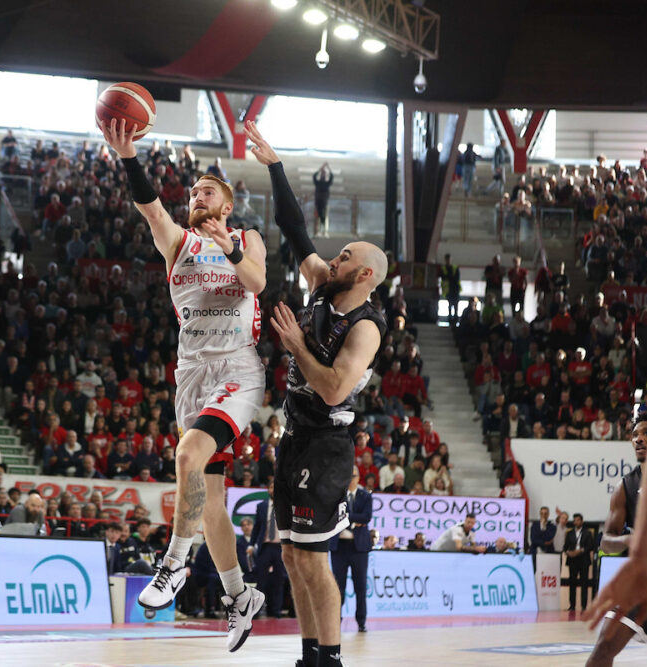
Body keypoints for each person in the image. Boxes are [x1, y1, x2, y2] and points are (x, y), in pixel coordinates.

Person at [102, 117, 268, 652]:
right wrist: (128, 157)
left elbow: (257, 283)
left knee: (187, 457)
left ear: (226, 204)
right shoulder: (176, 243)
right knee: (211, 500)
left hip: (237, 369)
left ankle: (174, 563)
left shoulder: (245, 237)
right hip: (192, 375)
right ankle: (239, 594)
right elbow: (149, 205)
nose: (196, 195)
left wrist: (233, 249)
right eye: (193, 191)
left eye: (207, 191)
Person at [248, 120, 387, 667]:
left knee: (313, 559)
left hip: (326, 447)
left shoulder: (366, 327)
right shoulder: (320, 285)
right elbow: (294, 228)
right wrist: (275, 166)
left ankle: (329, 658)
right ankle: (310, 654)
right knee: (290, 555)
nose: (334, 258)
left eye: (346, 255)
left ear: (366, 273)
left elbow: (332, 390)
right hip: (295, 436)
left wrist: (294, 344)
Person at [583, 413, 647, 664]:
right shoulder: (625, 487)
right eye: (635, 435)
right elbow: (605, 541)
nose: (639, 439)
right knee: (604, 647)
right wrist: (628, 542)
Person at [329, 467, 372, 633]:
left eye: (352, 475)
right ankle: (335, 620)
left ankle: (361, 621)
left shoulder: (365, 496)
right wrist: (354, 519)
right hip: (339, 547)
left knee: (360, 586)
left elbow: (366, 517)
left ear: (358, 477)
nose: (349, 478)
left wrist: (347, 516)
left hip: (359, 548)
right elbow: (333, 516)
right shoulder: (337, 496)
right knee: (338, 587)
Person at [251, 479, 285, 618]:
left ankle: (275, 610)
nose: (274, 490)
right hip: (265, 546)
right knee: (261, 580)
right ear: (268, 490)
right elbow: (257, 527)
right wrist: (251, 544)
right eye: (271, 487)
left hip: (280, 547)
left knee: (279, 580)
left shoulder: (285, 506)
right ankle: (257, 610)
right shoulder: (261, 506)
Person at [563, 513, 594, 611]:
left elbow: (590, 546)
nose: (576, 522)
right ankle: (572, 605)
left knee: (584, 583)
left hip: (583, 560)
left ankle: (584, 606)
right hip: (572, 560)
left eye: (578, 520)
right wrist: (568, 552)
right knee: (572, 583)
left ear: (582, 521)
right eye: (574, 520)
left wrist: (580, 550)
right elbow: (565, 546)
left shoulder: (587, 533)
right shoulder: (570, 533)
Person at [440, 253, 461, 326]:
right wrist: (450, 278)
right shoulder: (443, 269)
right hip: (449, 290)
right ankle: (450, 320)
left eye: (449, 259)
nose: (448, 261)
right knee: (449, 306)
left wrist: (449, 278)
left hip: (455, 290)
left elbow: (456, 278)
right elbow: (444, 278)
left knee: (456, 306)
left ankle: (455, 320)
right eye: (447, 259)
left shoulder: (455, 268)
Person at [312, 163, 333, 233]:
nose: (322, 175)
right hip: (321, 201)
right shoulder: (322, 183)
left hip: (321, 201)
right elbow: (314, 176)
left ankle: (321, 225)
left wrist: (321, 169)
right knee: (321, 212)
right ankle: (321, 225)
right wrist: (323, 168)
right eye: (322, 175)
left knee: (321, 212)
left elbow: (331, 177)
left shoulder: (321, 183)